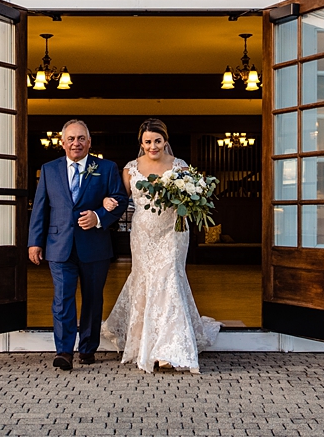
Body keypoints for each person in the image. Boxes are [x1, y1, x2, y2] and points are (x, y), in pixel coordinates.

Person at [101, 118, 220, 373]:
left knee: (169, 280)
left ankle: (170, 348)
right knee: (146, 280)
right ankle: (147, 342)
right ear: (141, 143)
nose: (152, 146)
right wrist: (106, 201)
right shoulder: (131, 169)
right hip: (143, 233)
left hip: (173, 231)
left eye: (157, 141)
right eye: (147, 142)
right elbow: (121, 198)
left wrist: (191, 202)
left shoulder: (180, 166)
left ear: (165, 141)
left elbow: (192, 196)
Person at [28, 119, 128, 371]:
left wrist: (98, 217)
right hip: (58, 245)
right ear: (62, 143)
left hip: (95, 246)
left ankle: (87, 348)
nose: (76, 143)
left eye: (81, 138)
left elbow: (120, 199)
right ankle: (64, 351)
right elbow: (40, 209)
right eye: (71, 138)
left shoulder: (105, 168)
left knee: (93, 300)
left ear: (89, 142)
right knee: (62, 299)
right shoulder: (49, 170)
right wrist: (34, 243)